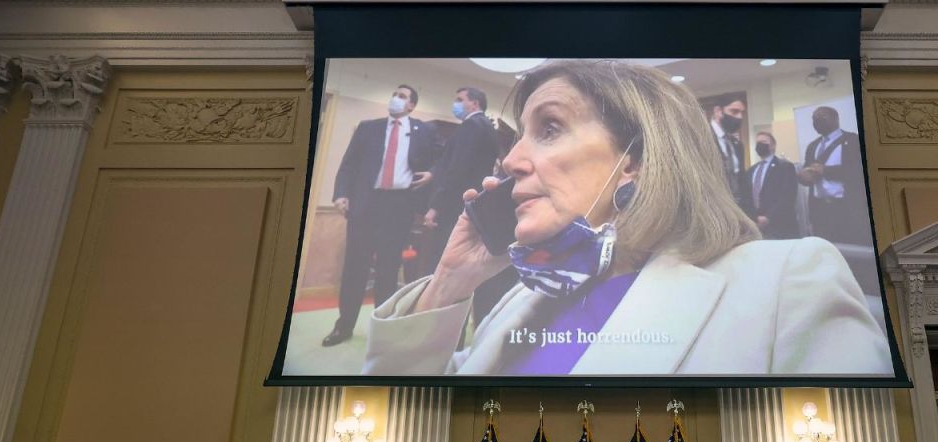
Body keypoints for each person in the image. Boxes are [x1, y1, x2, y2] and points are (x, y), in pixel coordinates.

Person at [363, 60, 889, 376]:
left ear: (634, 156)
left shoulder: (791, 276)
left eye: (548, 128)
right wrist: (450, 284)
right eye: (519, 135)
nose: (512, 160)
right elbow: (419, 414)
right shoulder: (525, 295)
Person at [324, 84, 440, 347]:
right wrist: (340, 194)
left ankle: (382, 331)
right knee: (355, 268)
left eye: (402, 96)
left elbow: (442, 159)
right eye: (394, 94)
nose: (395, 99)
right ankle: (344, 327)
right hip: (366, 205)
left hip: (399, 207)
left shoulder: (425, 131)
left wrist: (432, 173)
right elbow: (348, 165)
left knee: (388, 271)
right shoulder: (368, 128)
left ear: (411, 106)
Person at [422, 87, 500, 277]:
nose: (455, 104)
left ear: (475, 103)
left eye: (460, 99)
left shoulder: (471, 125)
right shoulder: (488, 127)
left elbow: (456, 168)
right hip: (473, 203)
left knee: (440, 262)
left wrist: (436, 206)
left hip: (454, 204)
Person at [797, 106, 866, 247]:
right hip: (819, 210)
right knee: (824, 252)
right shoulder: (812, 146)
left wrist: (826, 171)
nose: (817, 122)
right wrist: (803, 177)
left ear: (836, 119)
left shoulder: (853, 140)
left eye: (822, 118)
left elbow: (859, 171)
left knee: (853, 251)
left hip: (846, 209)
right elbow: (808, 171)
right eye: (814, 119)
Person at [742, 131, 798, 239]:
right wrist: (753, 218)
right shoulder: (751, 170)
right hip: (757, 227)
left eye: (763, 142)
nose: (760, 145)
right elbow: (747, 196)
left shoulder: (785, 167)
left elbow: (787, 196)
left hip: (780, 226)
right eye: (758, 142)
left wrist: (768, 218)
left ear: (773, 146)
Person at [709, 98, 749, 210]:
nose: (739, 117)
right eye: (734, 111)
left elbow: (742, 180)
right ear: (718, 111)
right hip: (713, 210)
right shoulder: (701, 138)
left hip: (738, 209)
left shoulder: (736, 144)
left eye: (742, 113)